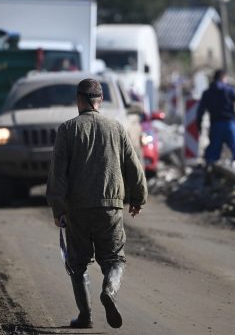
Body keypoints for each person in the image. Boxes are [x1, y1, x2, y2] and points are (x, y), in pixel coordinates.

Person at [46, 78, 148, 329]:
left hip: (77, 209)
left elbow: (57, 173)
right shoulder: (116, 127)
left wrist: (58, 208)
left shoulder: (68, 130)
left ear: (78, 100)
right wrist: (138, 198)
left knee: (77, 264)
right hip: (111, 206)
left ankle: (85, 316)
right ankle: (109, 291)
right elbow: (133, 166)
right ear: (100, 100)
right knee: (114, 260)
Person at [196, 69, 235, 166]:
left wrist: (198, 125)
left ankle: (209, 171)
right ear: (223, 77)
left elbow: (200, 112)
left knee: (212, 152)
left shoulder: (207, 93)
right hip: (230, 125)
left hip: (216, 126)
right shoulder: (229, 90)